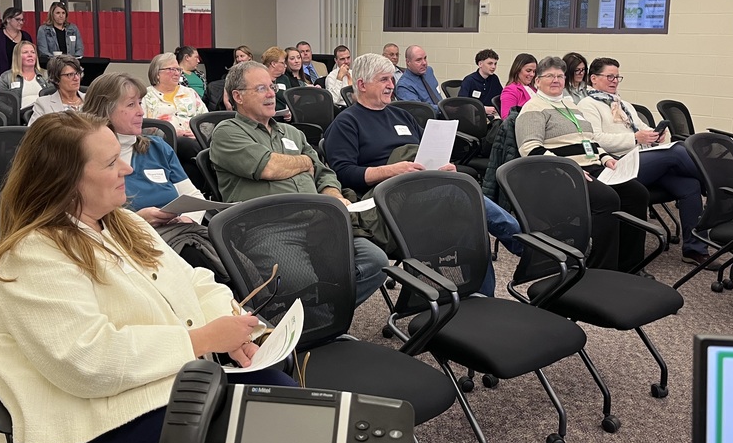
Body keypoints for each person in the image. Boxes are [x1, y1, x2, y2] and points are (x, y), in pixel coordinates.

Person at [0, 112, 291, 443]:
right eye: (110, 163)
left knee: (284, 400)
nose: (127, 166)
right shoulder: (33, 255)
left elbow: (194, 281)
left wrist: (235, 329)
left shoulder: (122, 222)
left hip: (156, 391)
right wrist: (203, 340)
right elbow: (85, 360)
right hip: (82, 435)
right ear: (65, 180)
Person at [323, 54, 523, 296]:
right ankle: (521, 241)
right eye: (383, 79)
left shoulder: (401, 116)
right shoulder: (346, 123)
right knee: (460, 194)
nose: (391, 85)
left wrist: (444, 166)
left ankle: (483, 299)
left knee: (470, 226)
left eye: (391, 79)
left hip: (421, 191)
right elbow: (343, 173)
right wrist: (394, 170)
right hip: (383, 201)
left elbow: (425, 152)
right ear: (362, 84)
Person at [209, 62, 388, 305]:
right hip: (269, 225)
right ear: (238, 96)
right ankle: (313, 323)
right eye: (261, 88)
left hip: (319, 219)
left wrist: (333, 193)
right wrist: (305, 161)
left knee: (374, 262)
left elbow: (323, 172)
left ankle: (325, 314)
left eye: (272, 86)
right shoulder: (227, 132)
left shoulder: (291, 133)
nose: (272, 93)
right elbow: (269, 167)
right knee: (299, 282)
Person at [82, 73, 227, 282]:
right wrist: (139, 220)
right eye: (131, 105)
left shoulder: (157, 147)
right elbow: (86, 219)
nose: (141, 112)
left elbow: (193, 195)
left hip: (181, 235)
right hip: (126, 246)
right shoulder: (88, 155)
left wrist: (185, 219)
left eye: (140, 103)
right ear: (105, 108)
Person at [515, 56, 650, 274]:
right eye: (549, 75)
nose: (556, 80)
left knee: (637, 194)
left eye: (560, 75)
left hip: (591, 166)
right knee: (607, 199)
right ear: (537, 81)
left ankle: (630, 266)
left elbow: (589, 140)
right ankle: (602, 270)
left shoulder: (570, 105)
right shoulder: (532, 108)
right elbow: (530, 149)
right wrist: (571, 168)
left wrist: (606, 158)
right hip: (559, 174)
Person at [577, 57, 715, 268]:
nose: (615, 81)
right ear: (593, 79)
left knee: (690, 185)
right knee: (677, 152)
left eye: (617, 77)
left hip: (643, 158)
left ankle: (694, 249)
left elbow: (643, 128)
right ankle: (716, 186)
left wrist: (658, 136)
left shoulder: (622, 103)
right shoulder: (587, 104)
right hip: (617, 164)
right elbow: (595, 139)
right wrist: (635, 139)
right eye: (610, 76)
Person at [141, 53, 207, 179]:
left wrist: (198, 133)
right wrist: (171, 133)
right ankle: (214, 166)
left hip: (194, 142)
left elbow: (206, 120)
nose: (177, 73)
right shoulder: (146, 96)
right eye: (172, 69)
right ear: (157, 73)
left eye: (178, 69)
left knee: (190, 170)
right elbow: (141, 125)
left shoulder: (190, 93)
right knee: (187, 145)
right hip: (162, 144)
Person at [28, 54, 85, 124]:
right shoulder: (43, 104)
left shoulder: (92, 100)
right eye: (69, 75)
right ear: (56, 79)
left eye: (77, 73)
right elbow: (32, 132)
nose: (76, 78)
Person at [0, 7, 31, 89]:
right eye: (18, 19)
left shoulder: (26, 36)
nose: (21, 22)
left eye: (22, 20)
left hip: (23, 76)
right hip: (1, 77)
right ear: (8, 19)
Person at [0, 41, 49, 110]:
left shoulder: (46, 74)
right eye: (25, 52)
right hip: (21, 117)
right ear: (17, 56)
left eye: (33, 52)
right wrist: (15, 114)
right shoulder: (6, 77)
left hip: (45, 115)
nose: (30, 55)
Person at [36, 2, 83, 66]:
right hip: (53, 65)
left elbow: (79, 48)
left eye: (63, 13)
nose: (61, 16)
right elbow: (43, 51)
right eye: (58, 13)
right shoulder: (43, 30)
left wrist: (72, 61)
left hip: (71, 64)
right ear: (52, 14)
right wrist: (58, 61)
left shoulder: (73, 28)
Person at [458, 48, 501, 115]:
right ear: (480, 64)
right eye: (490, 63)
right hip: (473, 116)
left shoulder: (494, 79)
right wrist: (483, 109)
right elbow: (462, 104)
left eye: (495, 64)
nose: (493, 67)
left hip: (491, 116)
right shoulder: (469, 80)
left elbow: (501, 97)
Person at [499, 53, 537, 119]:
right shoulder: (510, 91)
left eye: (534, 71)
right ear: (517, 70)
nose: (532, 74)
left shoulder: (533, 88)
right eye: (528, 71)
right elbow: (507, 119)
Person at [262, 46, 291, 112]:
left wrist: (289, 113)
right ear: (273, 64)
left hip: (283, 118)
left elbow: (290, 101)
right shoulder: (261, 79)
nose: (285, 65)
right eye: (283, 63)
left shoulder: (284, 79)